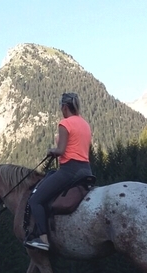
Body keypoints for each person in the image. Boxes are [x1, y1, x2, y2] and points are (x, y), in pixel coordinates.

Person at [24, 92, 93, 251]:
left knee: (36, 200)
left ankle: (43, 240)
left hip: (70, 170)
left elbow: (61, 150)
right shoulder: (85, 124)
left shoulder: (65, 123)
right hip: (86, 170)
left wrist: (51, 151)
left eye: (61, 108)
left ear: (64, 107)